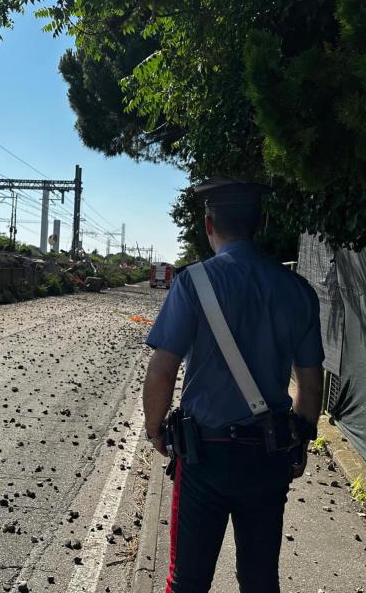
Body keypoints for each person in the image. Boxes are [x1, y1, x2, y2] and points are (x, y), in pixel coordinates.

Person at [143, 177, 324, 593]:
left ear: (209, 225)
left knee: (187, 580)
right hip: (268, 456)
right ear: (259, 223)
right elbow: (311, 386)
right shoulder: (298, 291)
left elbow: (162, 370)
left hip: (204, 456)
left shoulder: (192, 283)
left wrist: (156, 431)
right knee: (260, 580)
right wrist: (301, 442)